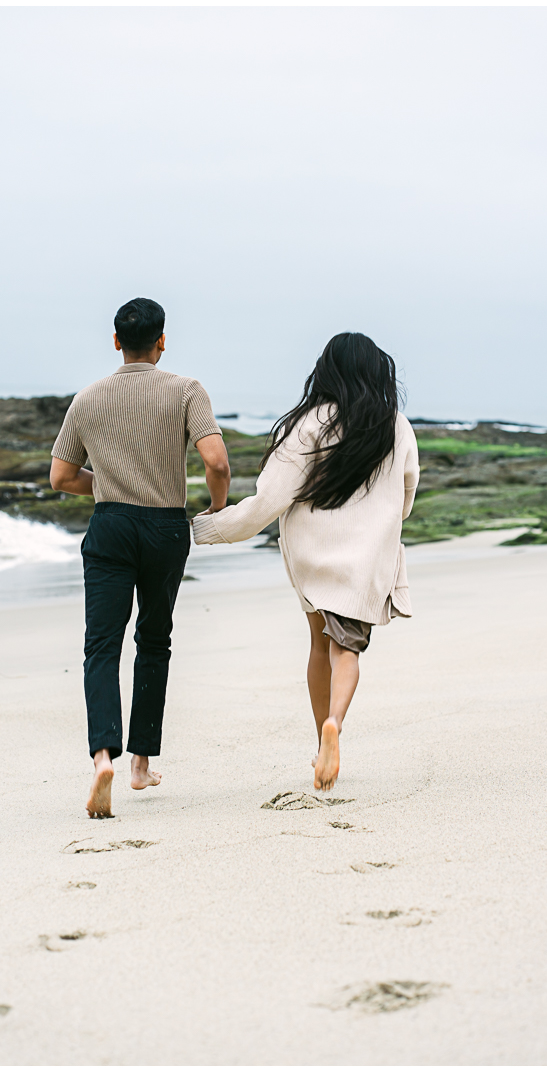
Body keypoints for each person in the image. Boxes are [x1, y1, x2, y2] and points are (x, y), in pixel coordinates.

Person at [193, 332, 419, 792]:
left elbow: (268, 501)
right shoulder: (396, 425)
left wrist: (205, 529)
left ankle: (322, 743)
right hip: (366, 560)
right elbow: (407, 496)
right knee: (347, 648)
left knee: (319, 643)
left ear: (326, 371)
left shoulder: (308, 425)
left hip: (314, 557)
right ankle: (336, 722)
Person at [50, 298, 230, 818]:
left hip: (110, 526)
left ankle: (102, 755)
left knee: (101, 646)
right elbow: (216, 461)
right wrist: (216, 510)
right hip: (164, 528)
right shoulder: (186, 390)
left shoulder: (89, 398)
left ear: (114, 342)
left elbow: (60, 478)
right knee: (154, 641)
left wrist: (107, 485)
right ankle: (140, 764)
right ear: (162, 340)